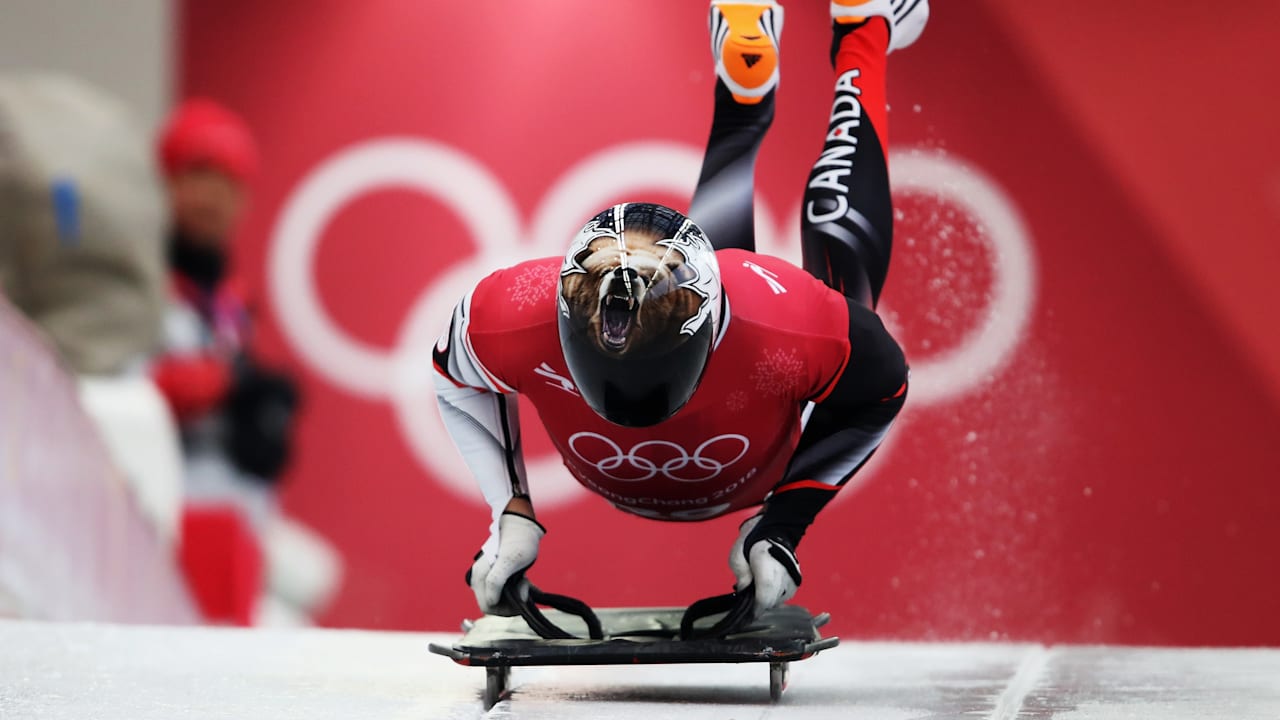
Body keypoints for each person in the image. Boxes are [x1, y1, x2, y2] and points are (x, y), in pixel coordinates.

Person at [433, 0, 927, 618]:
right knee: (833, 305)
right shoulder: (513, 313)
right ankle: (827, 50)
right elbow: (455, 381)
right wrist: (509, 513)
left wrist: (785, 523)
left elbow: (879, 391)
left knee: (848, 311)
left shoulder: (790, 322)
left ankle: (859, 36)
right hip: (747, 414)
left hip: (756, 329)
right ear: (567, 318)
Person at [150, 98, 300, 524]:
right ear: (165, 182)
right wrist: (223, 385)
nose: (214, 196)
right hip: (154, 504)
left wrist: (266, 419)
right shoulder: (134, 279)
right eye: (199, 175)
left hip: (231, 509)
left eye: (231, 183)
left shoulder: (233, 302)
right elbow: (113, 391)